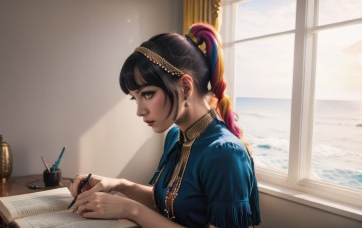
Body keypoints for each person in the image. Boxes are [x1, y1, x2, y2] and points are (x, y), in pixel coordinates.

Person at [69, 22, 261, 228]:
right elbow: (170, 202)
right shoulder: (175, 137)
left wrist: (130, 209)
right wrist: (118, 185)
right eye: (135, 98)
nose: (140, 111)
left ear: (185, 87)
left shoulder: (225, 153)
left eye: (148, 94)